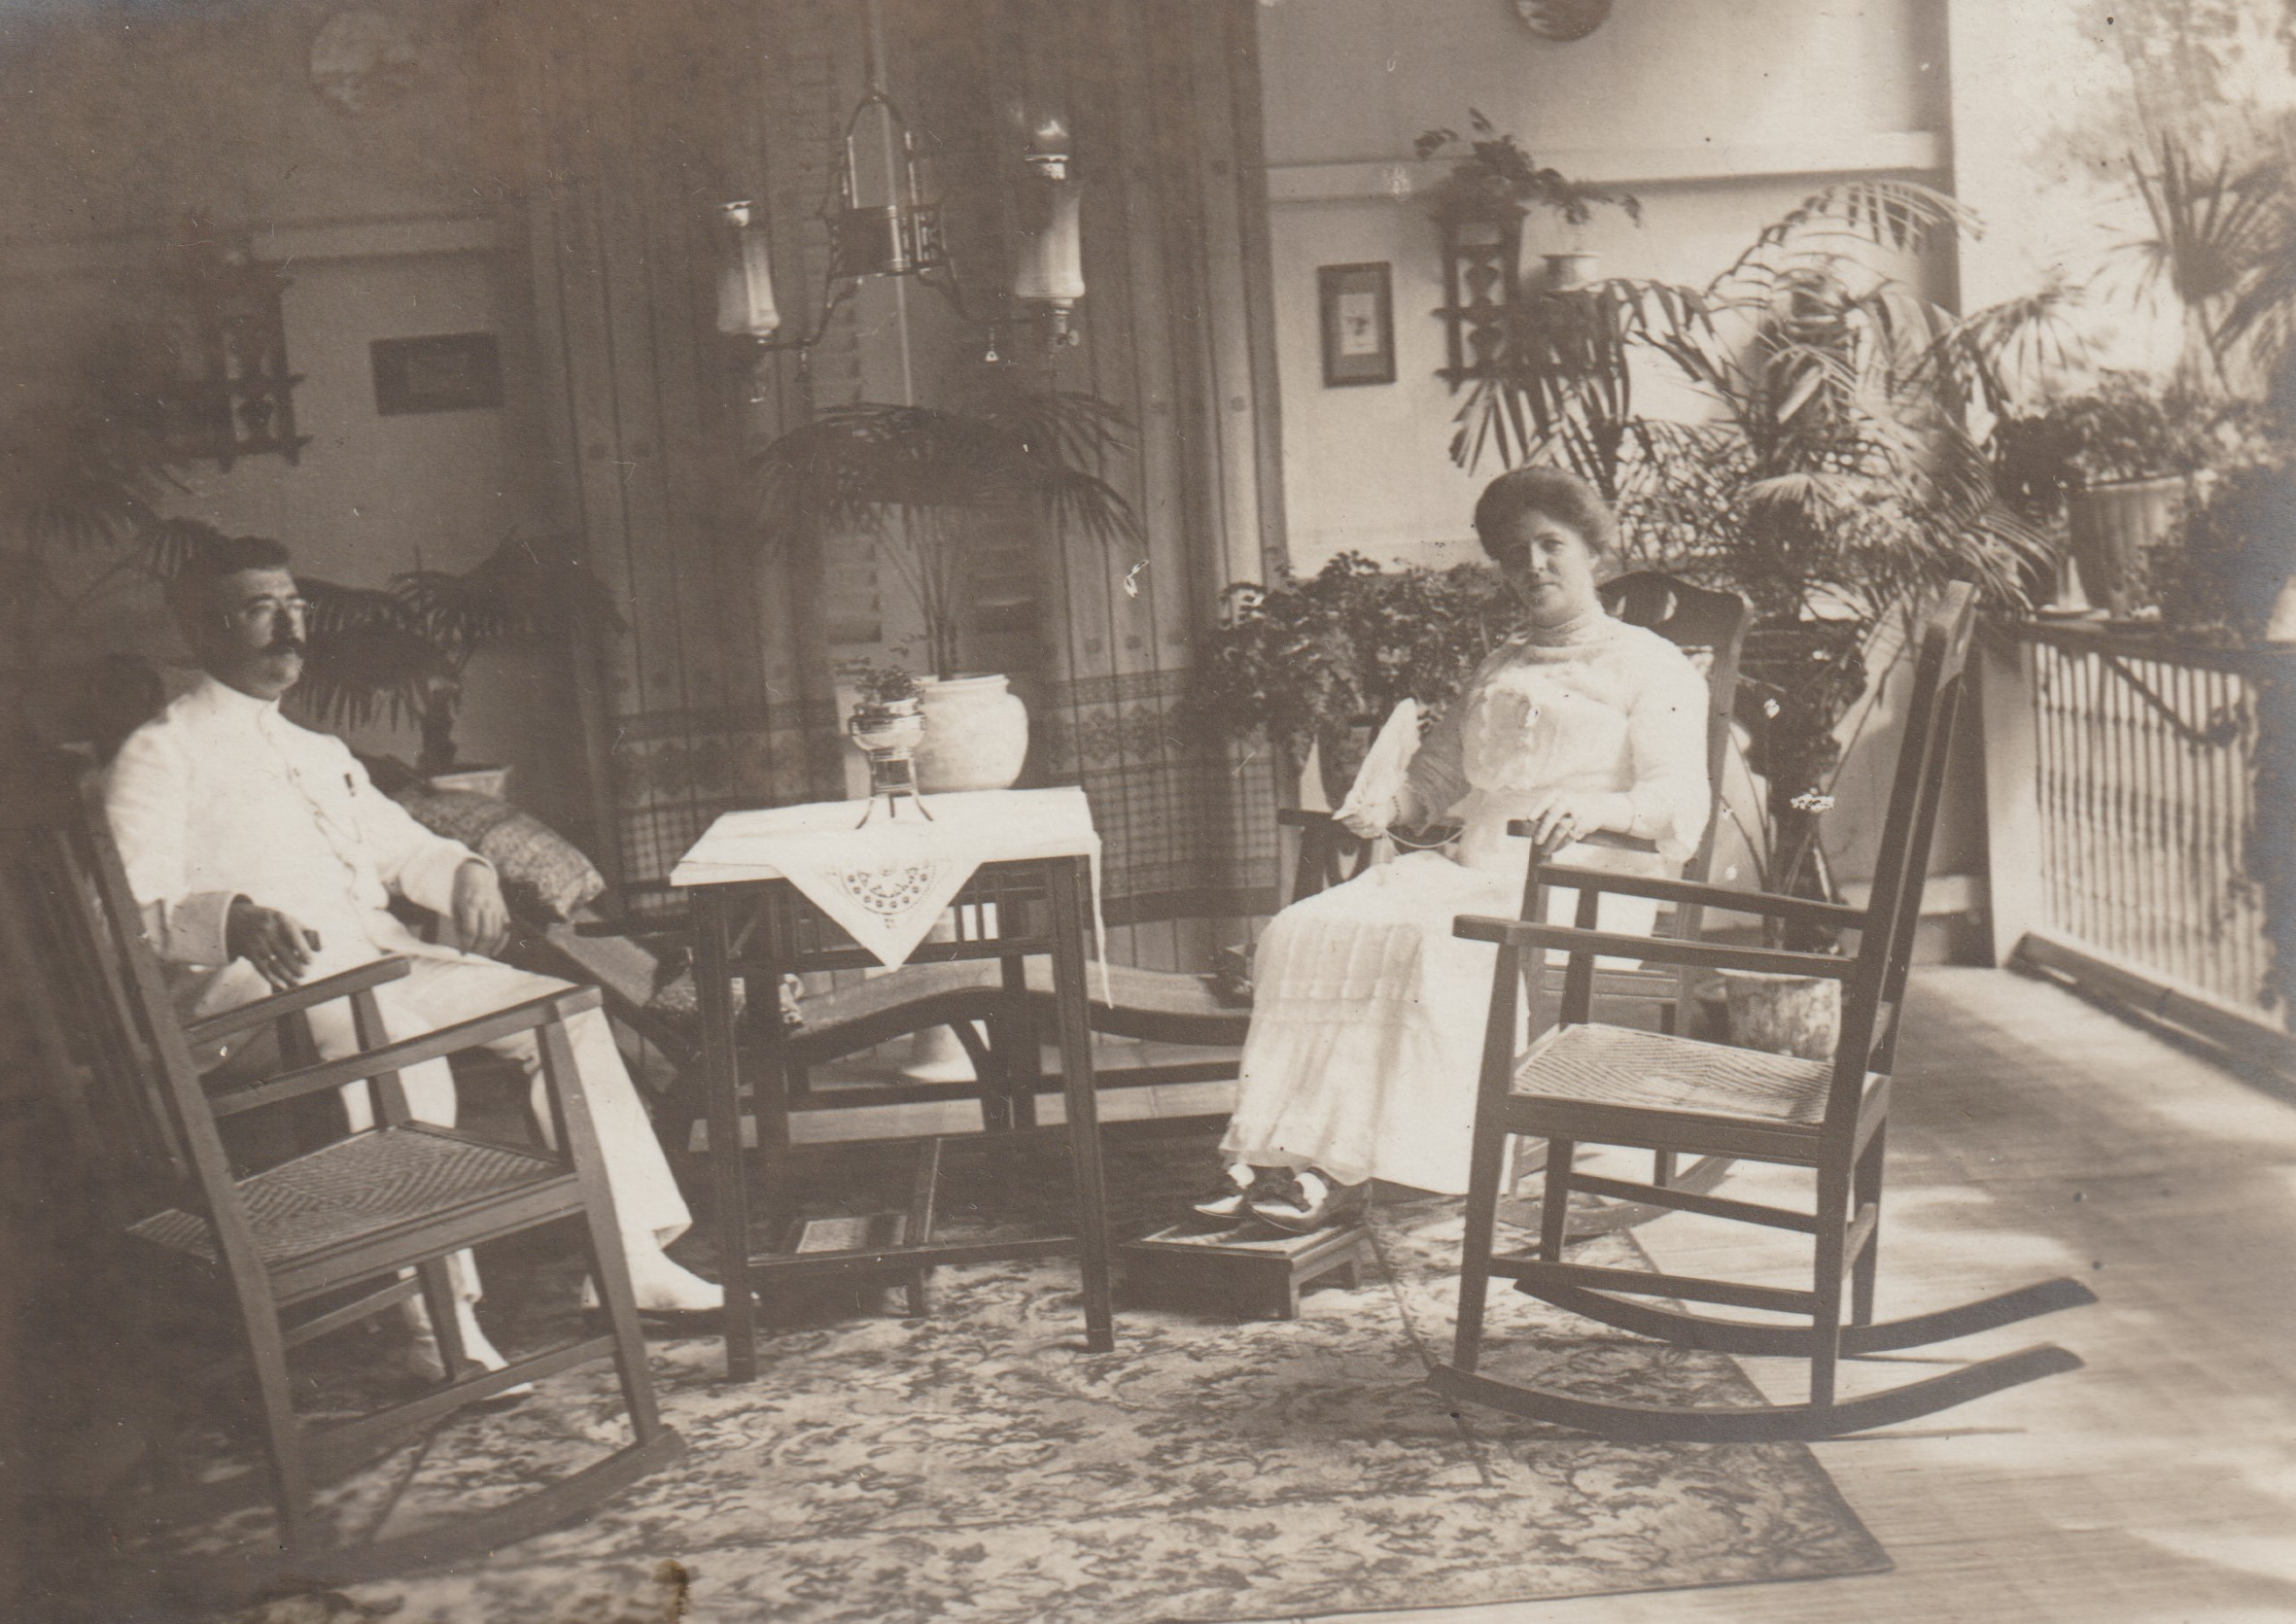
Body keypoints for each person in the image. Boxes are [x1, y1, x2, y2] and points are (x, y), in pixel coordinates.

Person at [105, 532, 721, 1380]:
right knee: (392, 1037)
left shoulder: (317, 751)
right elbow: (129, 912)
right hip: (252, 1000)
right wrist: (233, 915)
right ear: (203, 630)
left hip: (377, 963)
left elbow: (406, 847)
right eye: (259, 609)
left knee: (567, 1013)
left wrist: (466, 869)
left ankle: (630, 1257)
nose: (288, 627)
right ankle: (436, 1316)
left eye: (294, 606)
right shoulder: (159, 751)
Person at [1200, 467, 1712, 1233]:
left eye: (1552, 545)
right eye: (1515, 554)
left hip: (1585, 881)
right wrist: (1389, 802)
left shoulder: (1650, 663)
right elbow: (1437, 776)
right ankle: (1278, 1151)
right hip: (1477, 870)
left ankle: (1340, 1166)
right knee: (1308, 926)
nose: (1533, 566)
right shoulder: (1500, 662)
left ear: (1594, 552)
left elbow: (1678, 798)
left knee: (1428, 947)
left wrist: (1600, 805)